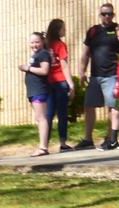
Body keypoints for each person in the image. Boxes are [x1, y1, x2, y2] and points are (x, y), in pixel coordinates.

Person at [77, 3, 119, 150]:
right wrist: (82, 71)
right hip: (95, 76)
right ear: (100, 15)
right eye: (103, 13)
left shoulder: (117, 30)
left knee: (112, 106)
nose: (106, 16)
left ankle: (110, 138)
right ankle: (88, 139)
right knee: (88, 105)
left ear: (113, 15)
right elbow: (85, 53)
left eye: (109, 14)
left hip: (112, 75)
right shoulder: (93, 31)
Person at [20, 32, 53, 157]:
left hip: (39, 90)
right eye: (32, 42)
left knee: (41, 118)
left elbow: (44, 70)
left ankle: (43, 147)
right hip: (34, 91)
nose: (34, 44)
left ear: (42, 42)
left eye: (37, 42)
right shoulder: (36, 55)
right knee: (39, 118)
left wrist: (27, 68)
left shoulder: (43, 54)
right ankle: (43, 146)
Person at [45, 20, 75, 152]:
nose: (65, 30)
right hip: (60, 82)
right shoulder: (60, 45)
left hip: (48, 83)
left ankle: (44, 144)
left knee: (48, 114)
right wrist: (71, 84)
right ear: (57, 30)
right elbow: (64, 66)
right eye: (63, 28)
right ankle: (63, 143)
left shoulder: (46, 45)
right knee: (62, 113)